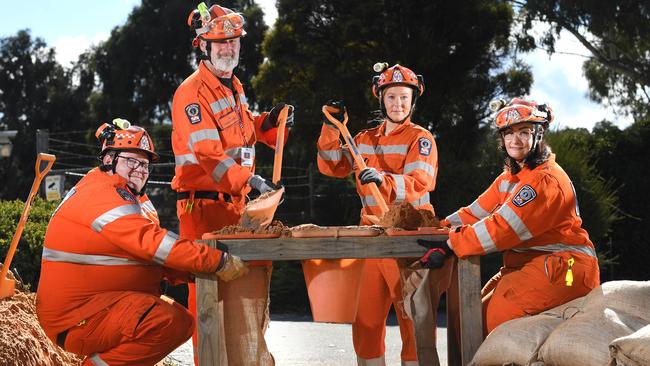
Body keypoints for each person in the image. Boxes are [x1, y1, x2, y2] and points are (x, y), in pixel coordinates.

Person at [36, 119, 247, 366]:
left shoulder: (123, 193)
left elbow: (146, 258)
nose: (140, 169)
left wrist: (192, 272)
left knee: (178, 320)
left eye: (144, 164)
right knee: (166, 322)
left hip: (92, 308)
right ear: (108, 160)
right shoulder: (103, 196)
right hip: (78, 317)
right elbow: (154, 243)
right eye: (131, 161)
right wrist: (216, 261)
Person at [171, 3, 293, 364]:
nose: (228, 48)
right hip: (202, 208)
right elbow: (209, 153)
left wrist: (269, 123)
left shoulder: (233, 88)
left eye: (234, 42)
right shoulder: (191, 93)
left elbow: (245, 131)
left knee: (239, 298)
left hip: (234, 206)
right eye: (220, 42)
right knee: (207, 302)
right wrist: (253, 180)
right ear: (203, 46)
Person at [418, 98, 601, 335]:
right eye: (509, 133)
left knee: (492, 323)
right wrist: (435, 229)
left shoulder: (543, 180)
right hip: (529, 265)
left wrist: (452, 243)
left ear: (538, 135)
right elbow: (474, 213)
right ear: (502, 139)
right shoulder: (511, 177)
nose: (516, 140)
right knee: (468, 317)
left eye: (524, 132)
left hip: (565, 268)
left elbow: (503, 227)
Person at [317, 63, 448, 366]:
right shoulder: (361, 139)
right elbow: (331, 164)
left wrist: (384, 180)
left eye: (404, 97)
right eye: (391, 97)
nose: (398, 104)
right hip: (372, 238)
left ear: (413, 101)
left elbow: (420, 182)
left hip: (408, 238)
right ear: (381, 99)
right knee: (365, 317)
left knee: (412, 317)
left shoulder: (421, 138)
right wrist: (330, 127)